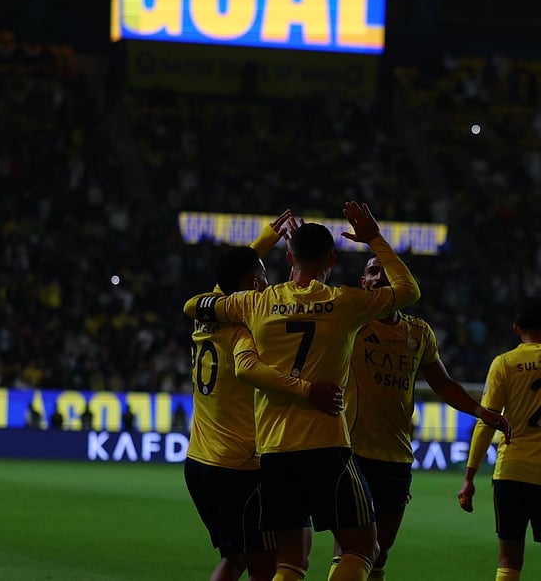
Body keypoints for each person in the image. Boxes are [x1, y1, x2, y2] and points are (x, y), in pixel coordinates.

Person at [184, 201, 421, 581]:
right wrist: (374, 238)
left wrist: (260, 247)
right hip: (326, 444)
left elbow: (196, 305)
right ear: (331, 260)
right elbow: (409, 291)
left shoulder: (255, 303)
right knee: (364, 548)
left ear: (289, 255)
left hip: (274, 451)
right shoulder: (345, 302)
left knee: (290, 562)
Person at [332, 257, 511, 580]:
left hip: (396, 457)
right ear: (363, 282)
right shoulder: (351, 322)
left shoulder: (418, 332)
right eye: (373, 271)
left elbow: (441, 383)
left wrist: (480, 411)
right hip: (351, 451)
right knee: (352, 549)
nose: (381, 277)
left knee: (380, 552)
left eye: (387, 272)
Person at [185, 210, 341, 581]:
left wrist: (266, 240)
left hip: (200, 461)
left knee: (234, 559)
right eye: (263, 277)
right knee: (267, 566)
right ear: (254, 283)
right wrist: (307, 391)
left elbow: (228, 278)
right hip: (239, 466)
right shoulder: (244, 328)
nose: (269, 283)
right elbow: (247, 368)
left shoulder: (207, 313)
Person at [458, 297, 541, 581]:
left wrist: (470, 476)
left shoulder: (504, 363)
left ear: (516, 328)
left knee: (508, 560)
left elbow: (487, 422)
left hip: (511, 472)